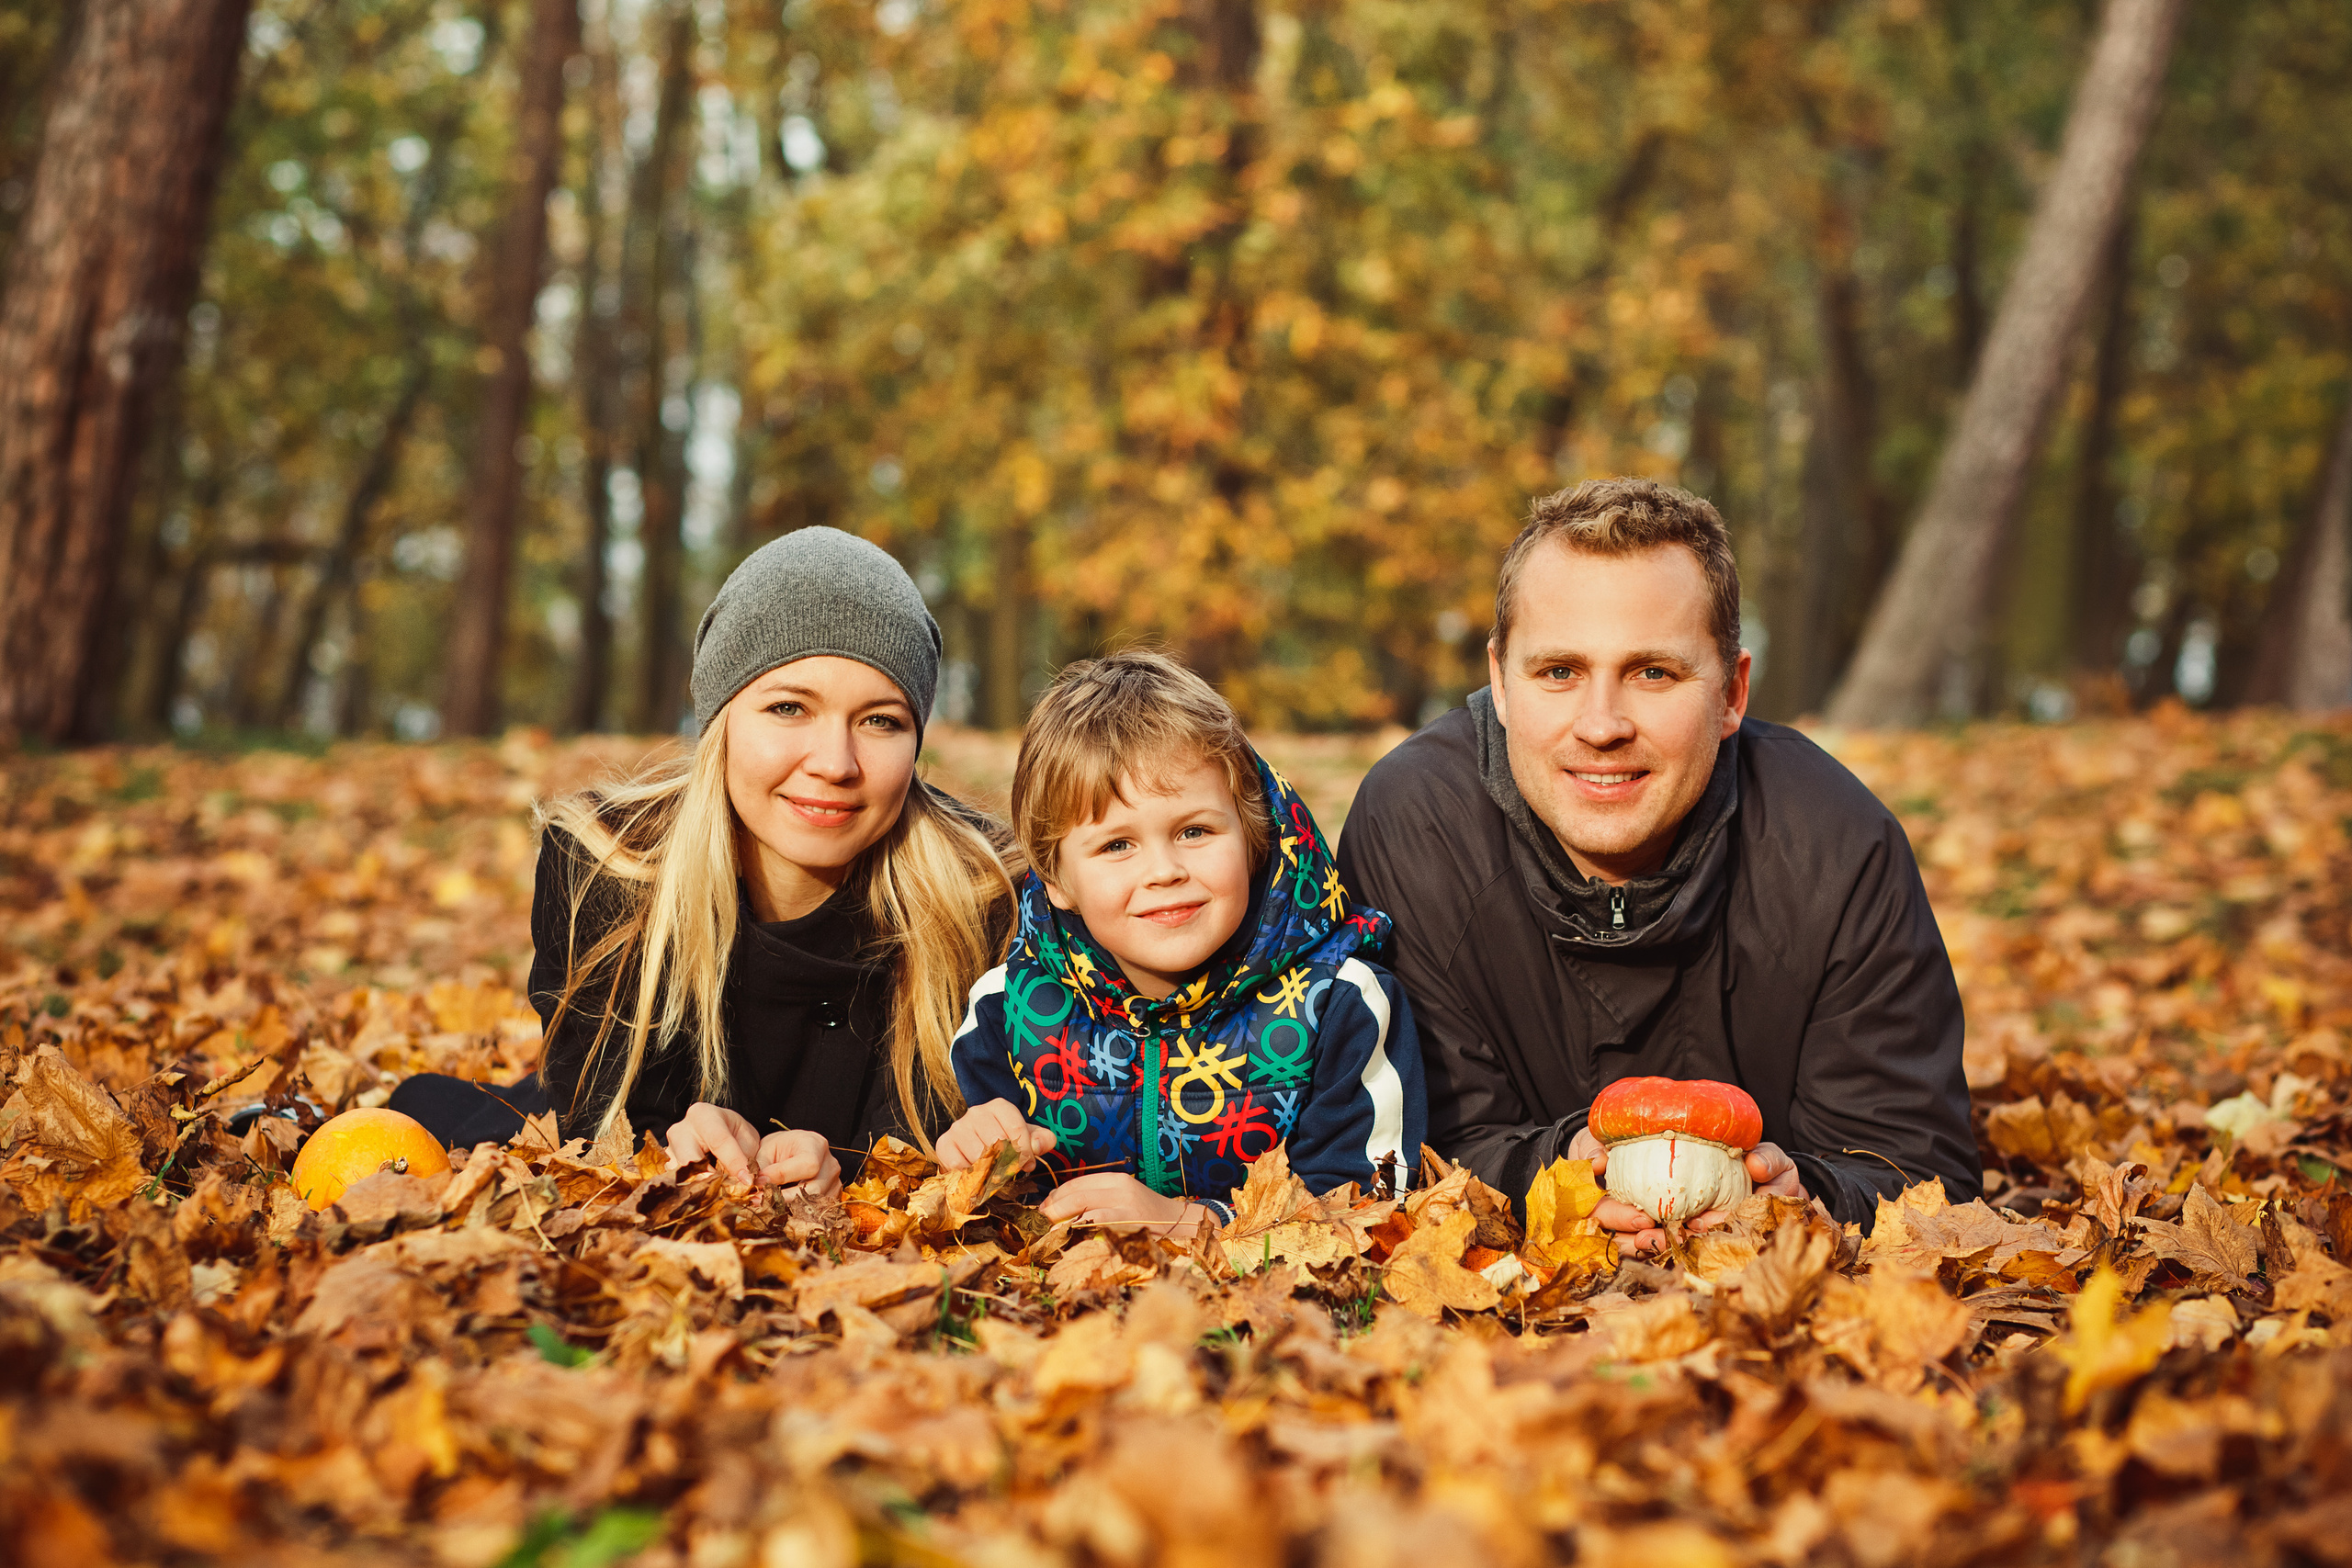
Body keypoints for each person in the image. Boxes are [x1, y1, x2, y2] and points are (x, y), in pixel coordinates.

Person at [1335, 479, 1978, 1252]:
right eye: (1560, 672)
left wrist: (1810, 1194)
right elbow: (1395, 1142)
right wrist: (1555, 1173)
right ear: (1500, 682)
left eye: (1653, 673)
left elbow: (1912, 1161)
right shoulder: (1415, 829)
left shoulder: (1837, 847)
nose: (1602, 725)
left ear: (1733, 692)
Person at [388, 527, 1014, 1195]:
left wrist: (849, 1171)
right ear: (720, 717)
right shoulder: (607, 869)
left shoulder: (977, 895)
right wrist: (664, 1147)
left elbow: (935, 1146)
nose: (835, 763)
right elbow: (597, 1123)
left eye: (881, 720)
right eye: (788, 707)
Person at [939, 651, 1424, 1234]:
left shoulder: (1340, 1005)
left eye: (1195, 831)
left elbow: (1371, 1205)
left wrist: (1191, 1223)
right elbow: (991, 1210)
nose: (1164, 870)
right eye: (1117, 845)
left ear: (1250, 838)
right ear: (1056, 879)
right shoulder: (1008, 1007)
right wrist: (978, 1153)